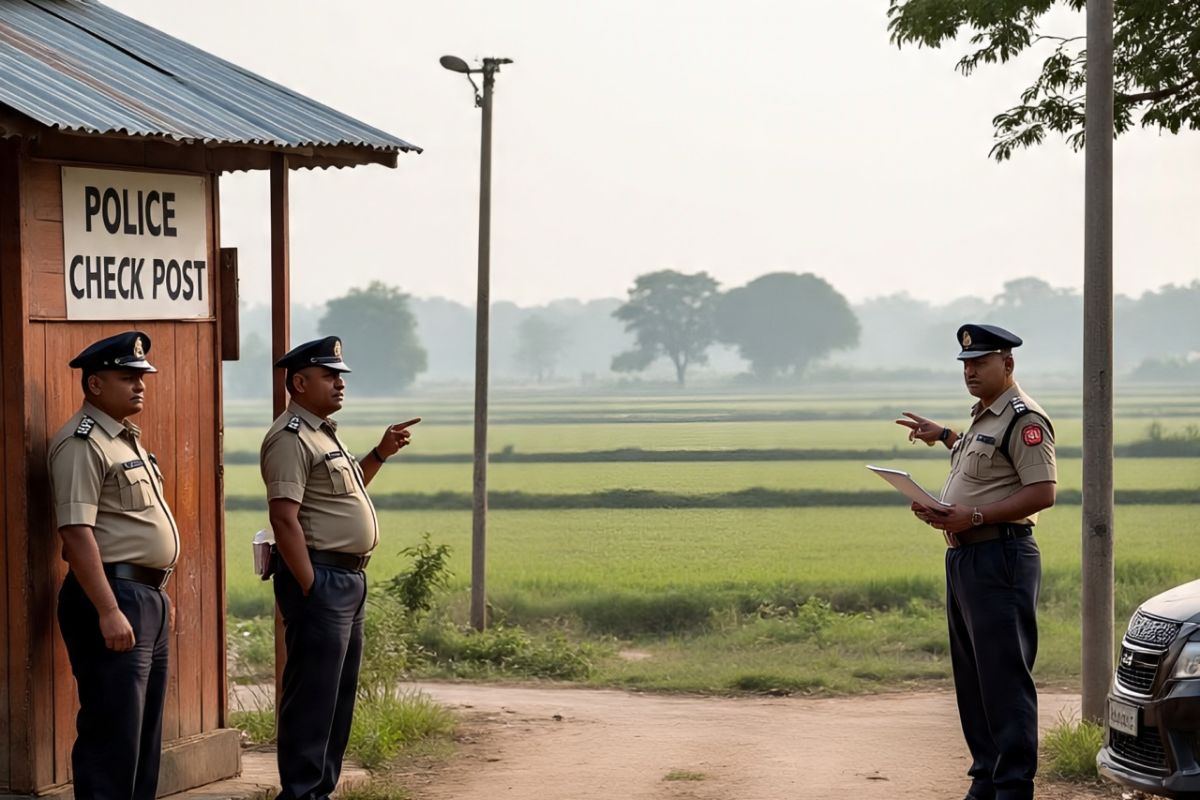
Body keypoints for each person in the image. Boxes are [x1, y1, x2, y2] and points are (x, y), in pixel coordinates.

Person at [896, 323, 1056, 800]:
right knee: (974, 679)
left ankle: (1012, 787)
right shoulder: (985, 417)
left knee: (1004, 679)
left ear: (1007, 364)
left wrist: (974, 515)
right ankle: (986, 778)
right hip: (966, 557)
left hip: (1000, 556)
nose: (970, 371)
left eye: (980, 362)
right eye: (966, 364)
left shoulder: (1024, 419)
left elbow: (1042, 492)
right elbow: (983, 461)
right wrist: (945, 435)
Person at [260, 336, 419, 800]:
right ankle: (302, 792)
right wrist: (310, 585)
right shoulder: (289, 437)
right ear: (300, 382)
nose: (339, 384)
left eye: (340, 376)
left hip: (347, 581)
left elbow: (344, 492)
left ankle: (320, 790)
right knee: (312, 699)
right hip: (322, 580)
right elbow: (284, 517)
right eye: (330, 376)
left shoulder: (322, 432)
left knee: (336, 698)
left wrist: (380, 453)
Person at [47, 330, 179, 800]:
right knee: (112, 735)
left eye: (142, 377)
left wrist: (155, 599)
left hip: (145, 598)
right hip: (112, 595)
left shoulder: (125, 441)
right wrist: (107, 609)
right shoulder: (84, 443)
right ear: (95, 384)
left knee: (142, 737)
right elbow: (76, 533)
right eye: (128, 377)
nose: (140, 385)